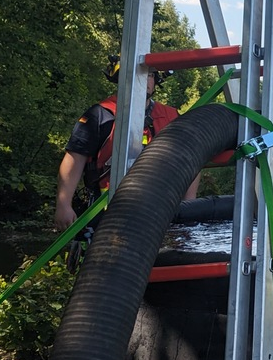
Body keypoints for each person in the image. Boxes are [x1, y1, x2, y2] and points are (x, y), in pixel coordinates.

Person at [54, 57, 198, 232]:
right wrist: (63, 205)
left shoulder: (171, 117)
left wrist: (188, 204)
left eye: (149, 75)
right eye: (137, 73)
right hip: (107, 209)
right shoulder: (100, 115)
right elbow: (75, 158)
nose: (144, 79)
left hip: (162, 210)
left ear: (156, 80)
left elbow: (192, 158)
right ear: (121, 77)